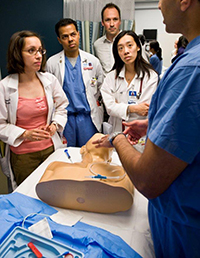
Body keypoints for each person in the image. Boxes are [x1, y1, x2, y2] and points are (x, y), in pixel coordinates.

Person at [93, 0, 200, 257]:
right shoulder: (190, 60)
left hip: (185, 227)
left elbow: (147, 180)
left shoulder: (191, 68)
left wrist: (117, 138)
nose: (158, 3)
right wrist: (151, 123)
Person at [0, 30, 68, 191]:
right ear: (17, 54)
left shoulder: (49, 80)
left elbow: (62, 106)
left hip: (50, 149)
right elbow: (1, 124)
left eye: (40, 50)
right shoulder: (5, 87)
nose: (39, 56)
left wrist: (54, 125)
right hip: (23, 156)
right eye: (31, 51)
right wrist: (25, 134)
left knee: (53, 192)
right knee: (28, 195)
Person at [36, 133, 134, 213]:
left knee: (52, 171)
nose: (103, 140)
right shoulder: (123, 172)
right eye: (99, 138)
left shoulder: (56, 166)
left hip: (60, 174)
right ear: (82, 148)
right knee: (124, 182)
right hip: (115, 182)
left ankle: (75, 179)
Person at [46, 18, 104, 147]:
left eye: (73, 34)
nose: (70, 39)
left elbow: (100, 87)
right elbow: (48, 92)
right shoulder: (52, 63)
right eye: (65, 36)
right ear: (59, 40)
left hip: (88, 119)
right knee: (67, 156)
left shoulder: (93, 61)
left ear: (78, 34)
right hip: (66, 119)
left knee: (90, 154)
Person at [100, 31, 158, 135]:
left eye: (130, 45)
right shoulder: (111, 77)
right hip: (116, 132)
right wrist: (133, 108)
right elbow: (109, 107)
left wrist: (118, 106)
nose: (126, 51)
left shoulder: (150, 76)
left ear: (138, 47)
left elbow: (144, 109)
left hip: (139, 134)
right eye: (120, 48)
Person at [93, 3, 121, 75]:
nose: (112, 24)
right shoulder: (97, 45)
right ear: (102, 22)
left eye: (115, 19)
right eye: (107, 20)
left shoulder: (130, 42)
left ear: (120, 21)